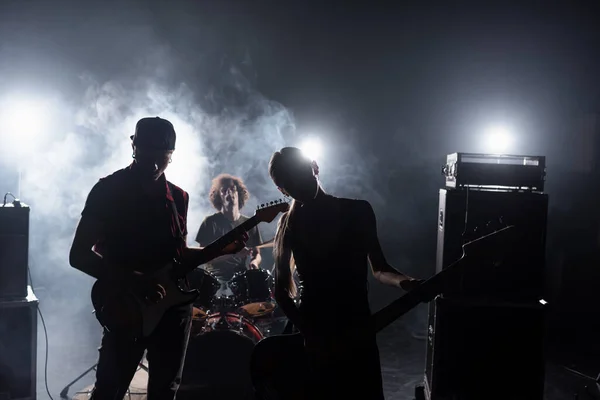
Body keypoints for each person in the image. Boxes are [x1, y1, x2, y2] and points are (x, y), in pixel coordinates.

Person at [69, 117, 248, 400]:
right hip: (126, 305)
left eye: (161, 154)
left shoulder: (178, 197)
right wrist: (136, 284)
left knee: (165, 391)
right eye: (146, 150)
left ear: (171, 155)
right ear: (133, 145)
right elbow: (78, 256)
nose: (153, 160)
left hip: (173, 311)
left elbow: (178, 255)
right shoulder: (108, 190)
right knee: (108, 392)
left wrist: (220, 250)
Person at [269, 147, 422, 399]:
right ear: (283, 190)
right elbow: (281, 291)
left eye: (301, 174)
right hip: (316, 328)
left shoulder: (358, 211)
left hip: (356, 324)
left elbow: (380, 268)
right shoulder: (288, 224)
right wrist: (308, 333)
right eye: (290, 183)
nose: (300, 184)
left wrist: (406, 283)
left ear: (315, 167)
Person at [195, 173, 263, 283]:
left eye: (232, 189)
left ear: (238, 193)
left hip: (240, 278)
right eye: (223, 190)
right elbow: (203, 257)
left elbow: (257, 253)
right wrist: (233, 253)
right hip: (214, 279)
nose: (229, 193)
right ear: (219, 196)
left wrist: (254, 262)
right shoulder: (209, 222)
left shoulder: (249, 223)